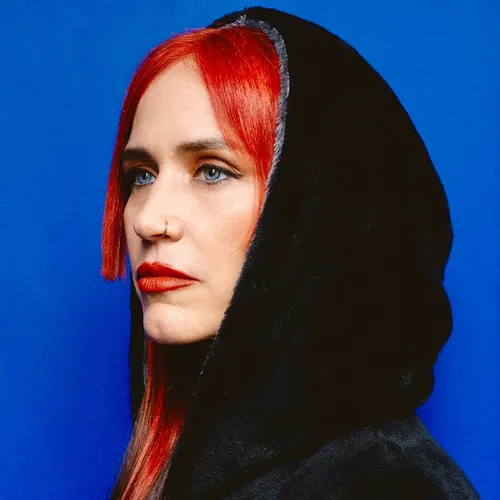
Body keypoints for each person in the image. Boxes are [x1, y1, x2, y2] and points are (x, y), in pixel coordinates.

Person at [100, 6, 480, 499]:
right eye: (141, 175)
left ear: (320, 213)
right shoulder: (174, 465)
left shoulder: (387, 486)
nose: (148, 219)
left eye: (212, 171)